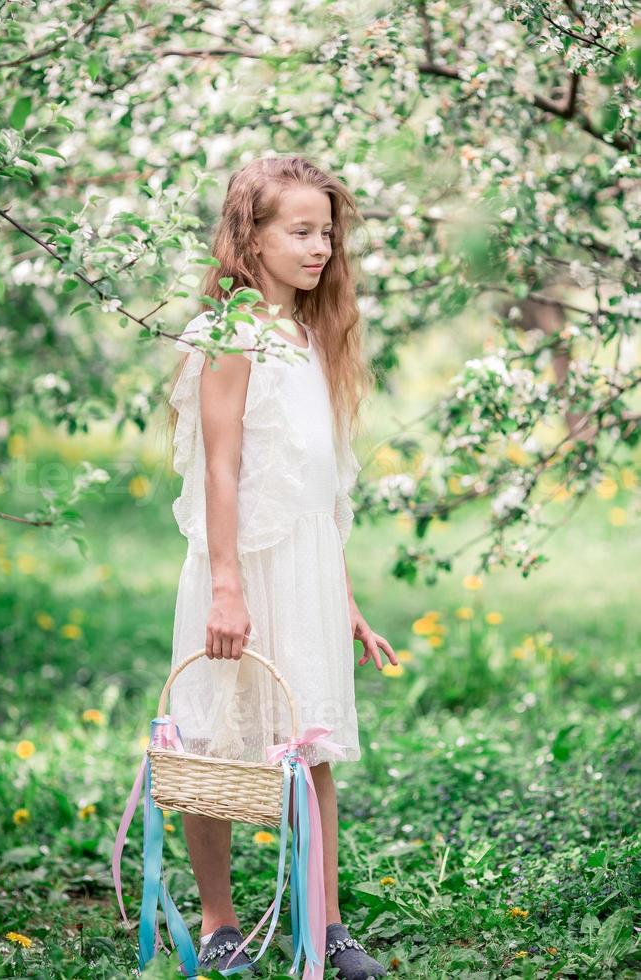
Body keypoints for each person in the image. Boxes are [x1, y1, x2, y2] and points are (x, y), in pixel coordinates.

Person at [164, 155, 398, 979]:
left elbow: (316, 490)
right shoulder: (230, 330)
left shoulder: (310, 335)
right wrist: (227, 586)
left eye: (327, 234)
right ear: (250, 236)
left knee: (313, 745)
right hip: (239, 567)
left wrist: (347, 602)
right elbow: (221, 468)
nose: (319, 249)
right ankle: (221, 917)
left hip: (302, 569)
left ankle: (328, 925)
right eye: (299, 231)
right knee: (216, 745)